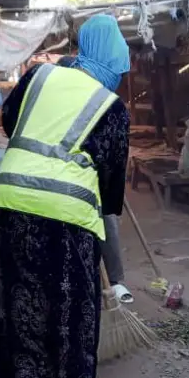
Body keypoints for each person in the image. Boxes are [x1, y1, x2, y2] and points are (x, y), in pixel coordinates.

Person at [0, 14, 130, 378]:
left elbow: (9, 121)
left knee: (23, 308)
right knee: (73, 322)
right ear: (114, 61)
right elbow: (110, 192)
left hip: (10, 205)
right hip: (65, 220)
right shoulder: (111, 106)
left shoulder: (39, 75)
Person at [58, 54, 132, 304]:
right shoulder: (58, 104)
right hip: (64, 182)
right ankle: (82, 287)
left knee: (107, 221)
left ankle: (116, 281)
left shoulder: (95, 100)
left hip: (92, 175)